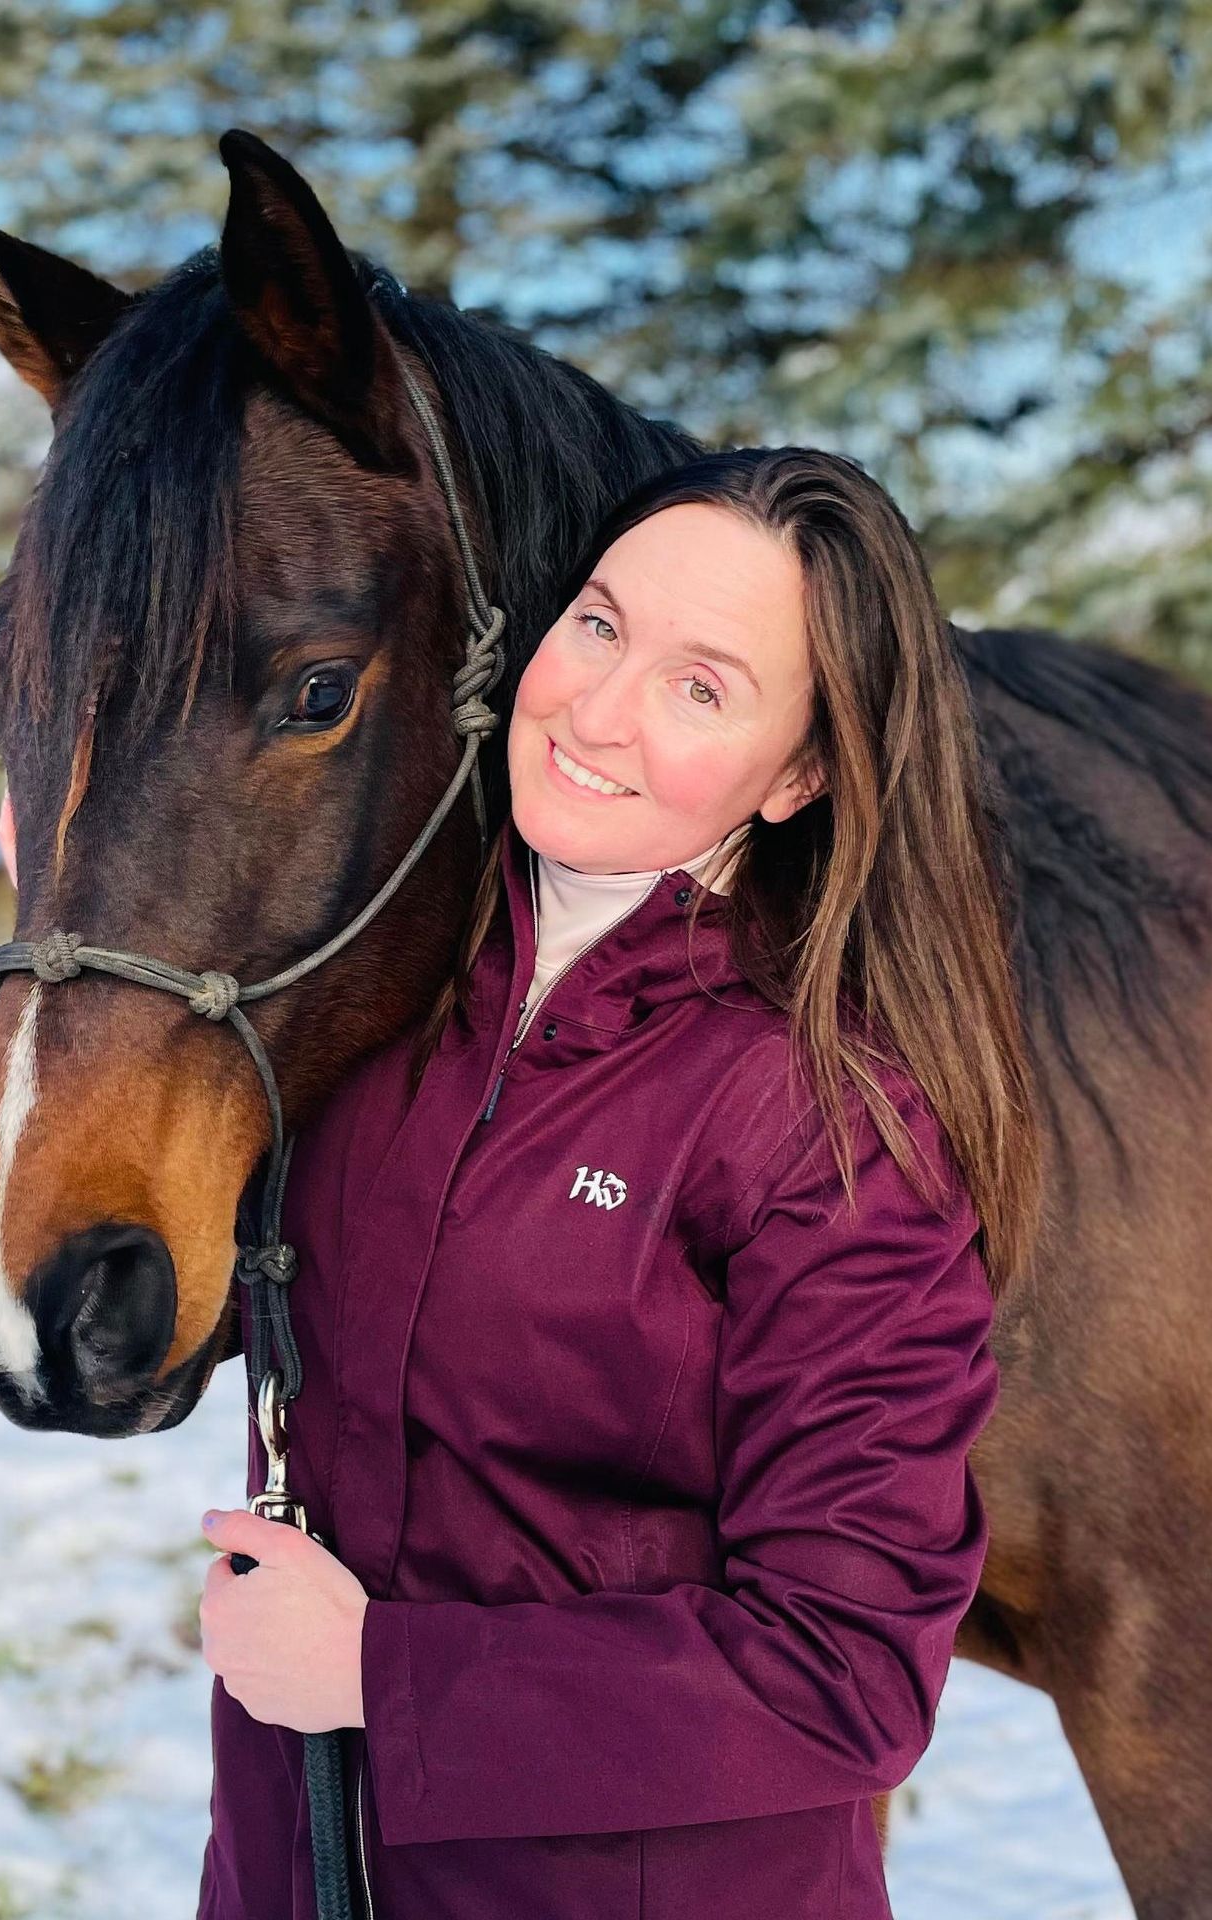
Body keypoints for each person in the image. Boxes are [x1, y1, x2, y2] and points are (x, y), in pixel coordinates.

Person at [192, 446, 1043, 1919]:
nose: (594, 708)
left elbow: (845, 1676)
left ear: (802, 771)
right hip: (301, 1863)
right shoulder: (379, 992)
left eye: (700, 686)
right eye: (598, 624)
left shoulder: (828, 1122)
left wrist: (375, 1677)